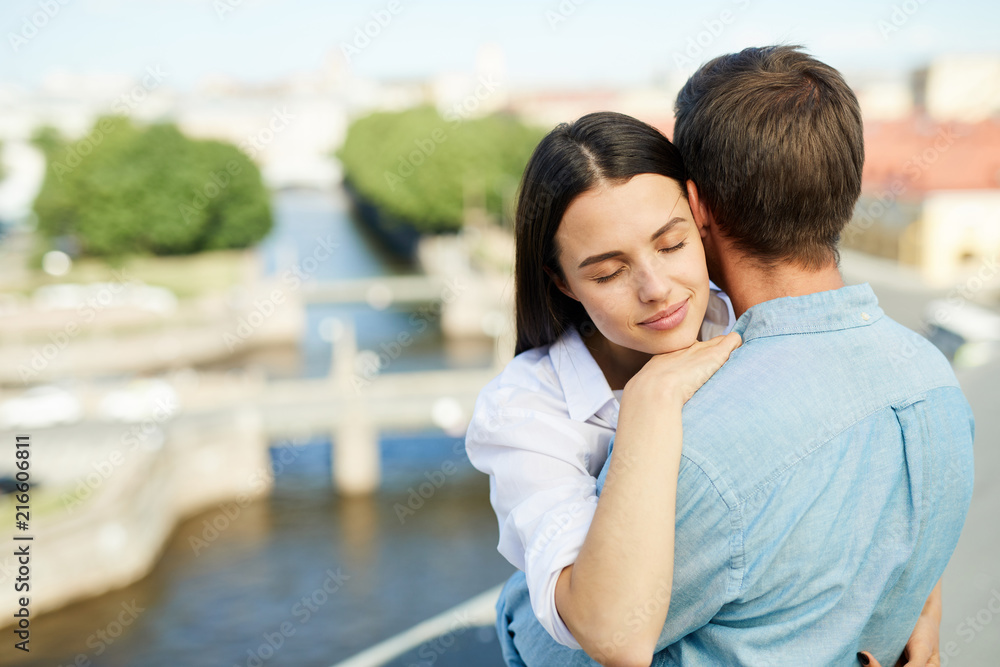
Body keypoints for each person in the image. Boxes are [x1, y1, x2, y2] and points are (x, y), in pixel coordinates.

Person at [469, 45, 974, 667]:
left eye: (671, 242)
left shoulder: (722, 391)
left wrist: (920, 591)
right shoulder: (932, 380)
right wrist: (649, 405)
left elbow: (579, 640)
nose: (656, 288)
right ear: (563, 282)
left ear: (697, 210)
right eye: (607, 272)